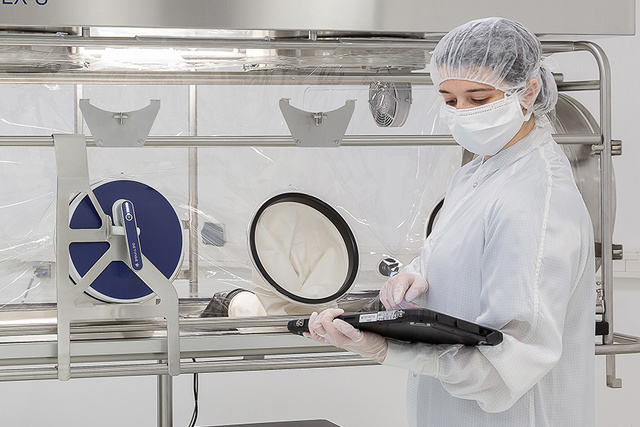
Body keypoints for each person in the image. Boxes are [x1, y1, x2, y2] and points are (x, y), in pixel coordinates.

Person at [305, 17, 595, 427]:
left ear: (527, 91)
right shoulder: (476, 174)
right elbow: (459, 253)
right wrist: (416, 277)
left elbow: (511, 363)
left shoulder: (536, 198)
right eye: (449, 100)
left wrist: (388, 349)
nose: (462, 114)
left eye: (478, 99)